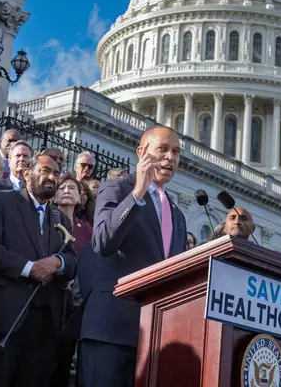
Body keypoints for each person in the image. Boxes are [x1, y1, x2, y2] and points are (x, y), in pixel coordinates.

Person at [80, 125, 188, 387]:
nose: (170, 157)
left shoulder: (178, 215)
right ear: (142, 152)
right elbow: (103, 241)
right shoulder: (116, 189)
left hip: (154, 336)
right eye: (162, 149)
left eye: (175, 152)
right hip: (111, 331)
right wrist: (138, 193)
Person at [0, 155, 77, 387]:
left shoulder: (60, 218)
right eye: (45, 170)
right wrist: (29, 268)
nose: (52, 177)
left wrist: (58, 262)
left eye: (56, 173)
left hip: (45, 322)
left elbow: (72, 261)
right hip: (5, 315)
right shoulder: (2, 201)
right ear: (27, 173)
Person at [51, 173, 93, 387]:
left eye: (72, 188)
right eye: (62, 187)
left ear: (80, 198)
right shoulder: (47, 219)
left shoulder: (86, 229)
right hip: (48, 297)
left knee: (64, 359)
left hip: (73, 304)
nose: (67, 191)